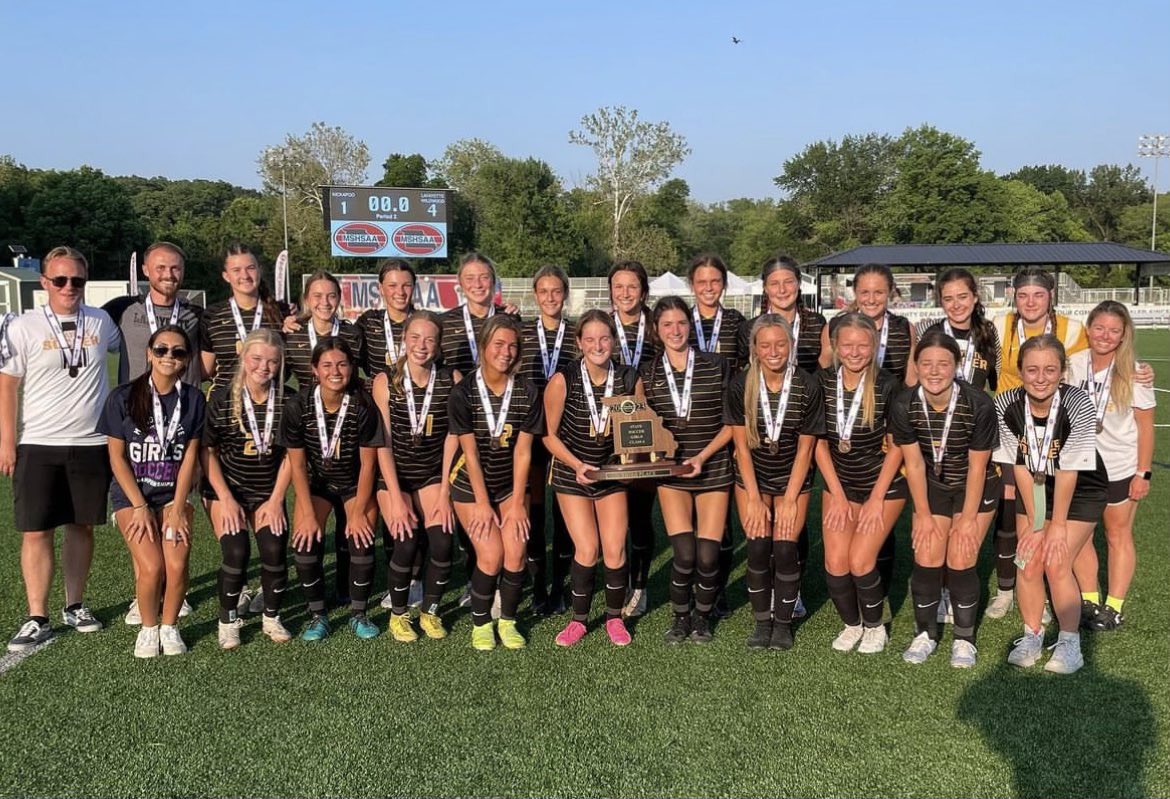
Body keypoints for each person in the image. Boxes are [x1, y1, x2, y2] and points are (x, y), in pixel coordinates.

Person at [1, 247, 121, 652]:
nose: (70, 287)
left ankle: (75, 604)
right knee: (36, 530)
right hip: (38, 442)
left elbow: (134, 347)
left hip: (91, 442)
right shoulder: (24, 326)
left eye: (78, 281)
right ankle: (37, 615)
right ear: (44, 283)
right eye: (61, 280)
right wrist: (7, 442)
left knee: (81, 526)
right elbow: (7, 386)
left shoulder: (101, 321)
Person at [105, 241, 204, 626]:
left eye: (176, 268)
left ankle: (163, 591)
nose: (168, 274)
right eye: (161, 268)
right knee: (140, 513)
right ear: (146, 270)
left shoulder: (195, 315)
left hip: (179, 426)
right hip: (133, 428)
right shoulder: (121, 309)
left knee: (175, 514)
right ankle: (144, 591)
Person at [994, 335, 1104, 674]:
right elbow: (1021, 467)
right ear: (1021, 371)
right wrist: (1037, 525)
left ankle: (1071, 644)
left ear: (1062, 372)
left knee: (1056, 562)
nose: (1040, 378)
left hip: (1081, 488)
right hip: (1036, 487)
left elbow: (1069, 470)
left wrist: (1054, 526)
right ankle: (1032, 635)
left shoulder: (1078, 402)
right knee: (1027, 560)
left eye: (1049, 369)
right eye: (1032, 370)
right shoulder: (1006, 403)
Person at [890, 329, 1000, 668]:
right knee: (926, 556)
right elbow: (914, 462)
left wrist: (967, 520)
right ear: (917, 366)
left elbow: (978, 468)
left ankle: (964, 640)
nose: (934, 371)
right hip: (934, 486)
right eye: (926, 363)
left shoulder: (977, 403)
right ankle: (925, 633)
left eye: (943, 363)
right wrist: (921, 514)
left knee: (962, 556)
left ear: (956, 366)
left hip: (975, 486)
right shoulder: (904, 403)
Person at [987, 267, 1089, 620]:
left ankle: (1046, 592)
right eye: (1023, 295)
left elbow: (1089, 371)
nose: (1030, 302)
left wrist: (1134, 369)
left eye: (1038, 295)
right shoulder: (999, 326)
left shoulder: (1073, 330)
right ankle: (1006, 589)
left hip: (1057, 435)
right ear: (1013, 296)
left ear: (1051, 297)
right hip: (1013, 431)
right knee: (1013, 513)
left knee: (1052, 517)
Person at [98, 325, 204, 657]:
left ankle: (170, 626)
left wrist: (178, 506)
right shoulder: (123, 397)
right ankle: (148, 628)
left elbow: (190, 458)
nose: (169, 356)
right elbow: (116, 457)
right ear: (148, 354)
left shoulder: (193, 398)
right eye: (161, 350)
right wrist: (139, 506)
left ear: (186, 360)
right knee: (152, 567)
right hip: (133, 495)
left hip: (174, 494)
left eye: (178, 351)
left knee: (176, 563)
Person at [738, 254, 831, 619]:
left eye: (789, 282)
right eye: (775, 283)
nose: (782, 289)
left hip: (801, 423)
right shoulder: (750, 327)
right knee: (762, 524)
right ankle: (769, 586)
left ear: (798, 284)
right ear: (765, 288)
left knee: (794, 519)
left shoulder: (817, 322)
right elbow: (743, 376)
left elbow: (825, 371)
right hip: (764, 423)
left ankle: (794, 589)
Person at [542, 310, 641, 646]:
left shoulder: (629, 378)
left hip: (611, 474)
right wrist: (576, 464)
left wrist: (630, 461)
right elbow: (548, 435)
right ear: (579, 343)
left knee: (614, 550)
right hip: (573, 474)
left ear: (613, 340)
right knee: (587, 548)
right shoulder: (563, 379)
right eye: (590, 339)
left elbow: (636, 434)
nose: (598, 345)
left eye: (604, 338)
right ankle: (580, 620)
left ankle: (614, 619)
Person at [724, 315, 822, 650]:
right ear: (755, 349)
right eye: (765, 345)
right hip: (753, 477)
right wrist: (752, 496)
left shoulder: (807, 385)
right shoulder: (741, 385)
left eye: (780, 343)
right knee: (757, 546)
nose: (774, 351)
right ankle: (762, 623)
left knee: (784, 548)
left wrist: (792, 498)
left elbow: (806, 448)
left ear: (791, 345)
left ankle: (783, 624)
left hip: (792, 475)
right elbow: (740, 446)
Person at [448, 315, 544, 650]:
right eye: (498, 344)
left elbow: (523, 452)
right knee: (490, 555)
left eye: (512, 345)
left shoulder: (528, 391)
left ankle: (508, 621)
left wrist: (518, 503)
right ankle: (481, 624)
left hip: (509, 485)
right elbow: (469, 454)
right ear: (484, 346)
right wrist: (483, 504)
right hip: (470, 486)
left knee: (516, 554)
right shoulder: (463, 392)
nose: (505, 351)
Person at [642, 296, 733, 644]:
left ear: (690, 325)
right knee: (684, 553)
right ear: (657, 330)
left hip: (712, 468)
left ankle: (702, 617)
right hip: (672, 473)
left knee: (708, 556)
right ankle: (679, 617)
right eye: (667, 325)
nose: (675, 330)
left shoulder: (717, 364)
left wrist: (702, 456)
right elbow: (638, 425)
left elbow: (731, 423)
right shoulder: (647, 374)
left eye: (681, 323)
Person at [815, 312, 907, 654]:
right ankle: (852, 625)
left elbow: (898, 447)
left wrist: (875, 498)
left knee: (860, 561)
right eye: (847, 345)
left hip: (883, 486)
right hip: (840, 485)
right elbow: (819, 444)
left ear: (875, 345)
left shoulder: (887, 384)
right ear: (835, 346)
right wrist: (837, 495)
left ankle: (874, 626)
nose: (855, 352)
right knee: (835, 563)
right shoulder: (821, 383)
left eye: (863, 345)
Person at [280, 338, 383, 641]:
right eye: (327, 365)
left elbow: (368, 465)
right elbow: (297, 466)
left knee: (361, 538)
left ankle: (358, 613)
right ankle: (317, 615)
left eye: (342, 364)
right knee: (304, 539)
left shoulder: (363, 404)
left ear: (351, 367)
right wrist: (308, 513)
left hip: (355, 483)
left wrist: (359, 511)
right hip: (319, 484)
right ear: (315, 370)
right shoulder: (298, 406)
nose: (335, 371)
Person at [371, 311, 461, 642]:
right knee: (405, 539)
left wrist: (444, 492)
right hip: (395, 476)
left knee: (441, 542)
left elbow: (454, 436)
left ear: (438, 345)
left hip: (433, 476)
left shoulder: (451, 377)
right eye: (415, 338)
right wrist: (395, 496)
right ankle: (398, 615)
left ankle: (430, 612)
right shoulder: (385, 380)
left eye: (429, 339)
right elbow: (385, 442)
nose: (421, 346)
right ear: (404, 340)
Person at [201, 329, 294, 648]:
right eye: (256, 359)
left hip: (268, 491)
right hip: (227, 489)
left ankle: (271, 616)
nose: (263, 367)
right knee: (236, 551)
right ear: (243, 357)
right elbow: (207, 453)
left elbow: (292, 457)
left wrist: (277, 499)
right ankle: (227, 621)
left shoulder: (288, 400)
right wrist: (226, 499)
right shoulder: (223, 398)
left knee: (274, 549)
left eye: (272, 361)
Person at [1068, 302, 1155, 631]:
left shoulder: (1134, 371)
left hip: (1121, 466)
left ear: (1123, 336)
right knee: (1081, 537)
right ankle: (1089, 599)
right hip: (1079, 465)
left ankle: (1114, 606)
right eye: (1100, 328)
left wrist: (1142, 473)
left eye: (1114, 330)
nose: (1105, 336)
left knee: (1117, 535)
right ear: (1088, 328)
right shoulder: (1072, 365)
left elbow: (1146, 428)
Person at [282, 270, 365, 604]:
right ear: (307, 300)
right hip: (309, 430)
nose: (324, 302)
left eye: (331, 295)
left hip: (347, 427)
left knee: (350, 520)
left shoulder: (353, 334)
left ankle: (346, 590)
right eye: (317, 296)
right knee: (309, 515)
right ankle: (312, 595)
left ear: (339, 298)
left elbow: (367, 374)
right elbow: (278, 377)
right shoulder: (292, 334)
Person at [519, 265, 579, 614]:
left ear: (565, 294)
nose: (551, 297)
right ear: (535, 295)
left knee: (564, 511)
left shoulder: (577, 334)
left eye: (557, 291)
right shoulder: (523, 332)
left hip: (566, 434)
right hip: (531, 433)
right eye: (544, 291)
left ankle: (561, 584)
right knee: (536, 511)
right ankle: (538, 584)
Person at [607, 260, 657, 618]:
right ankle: (616, 580)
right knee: (613, 512)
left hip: (647, 429)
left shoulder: (657, 328)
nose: (625, 293)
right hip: (606, 430)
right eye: (618, 287)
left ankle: (639, 587)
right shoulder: (600, 325)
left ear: (643, 291)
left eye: (632, 287)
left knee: (640, 513)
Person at [199, 244, 288, 394]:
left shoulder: (283, 313)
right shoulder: (212, 315)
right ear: (226, 276)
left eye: (250, 268)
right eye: (236, 270)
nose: (245, 275)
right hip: (224, 405)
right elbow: (205, 370)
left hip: (269, 404)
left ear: (259, 270)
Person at [914, 268, 1000, 393]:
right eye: (948, 299)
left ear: (975, 297)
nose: (956, 305)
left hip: (976, 410)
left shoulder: (989, 331)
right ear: (941, 302)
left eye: (962, 297)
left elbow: (995, 380)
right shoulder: (926, 330)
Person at [356, 259, 415, 378]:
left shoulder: (425, 323)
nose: (400, 292)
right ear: (381, 288)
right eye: (392, 285)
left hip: (418, 395)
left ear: (414, 287)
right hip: (378, 394)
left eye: (406, 285)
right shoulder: (368, 322)